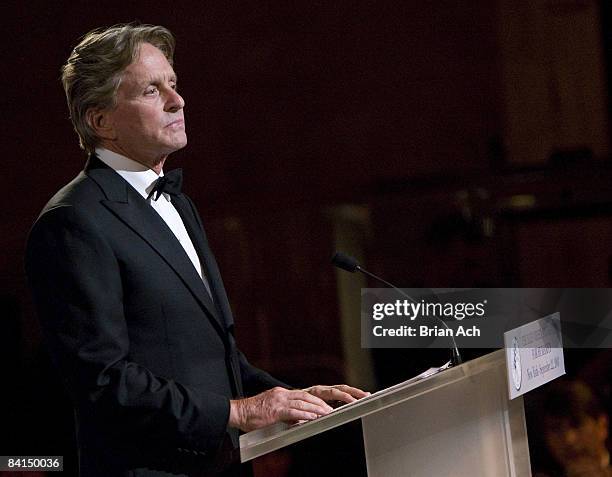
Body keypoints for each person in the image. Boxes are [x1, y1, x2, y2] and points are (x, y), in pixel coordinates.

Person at [25, 23, 367, 477]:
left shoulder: (178, 204)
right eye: (151, 90)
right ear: (100, 120)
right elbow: (104, 382)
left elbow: (212, 358)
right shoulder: (73, 222)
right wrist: (241, 413)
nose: (177, 100)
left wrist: (294, 396)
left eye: (173, 84)